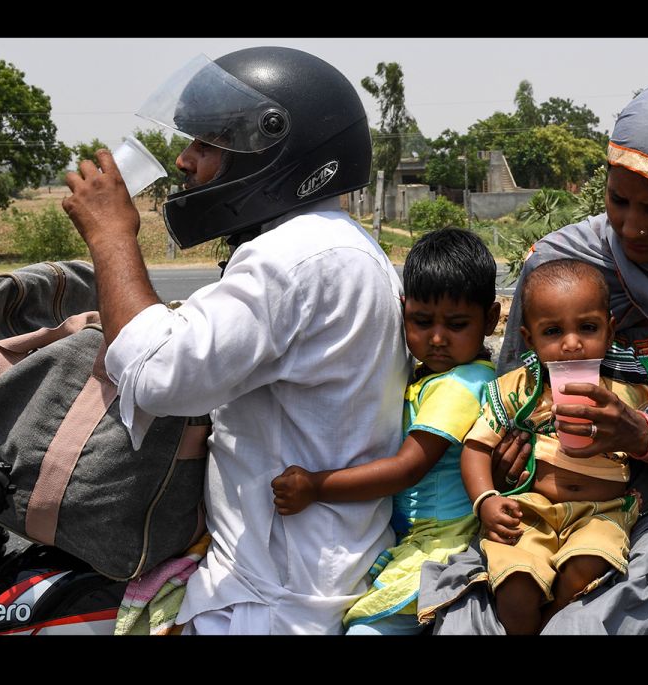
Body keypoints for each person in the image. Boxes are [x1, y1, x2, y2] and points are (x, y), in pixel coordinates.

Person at [61, 47, 411, 634]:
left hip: (273, 596)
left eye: (207, 144)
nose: (184, 160)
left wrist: (112, 237)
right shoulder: (333, 244)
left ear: (273, 148)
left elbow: (158, 373)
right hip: (302, 567)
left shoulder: (295, 257)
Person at [419, 82, 648, 635]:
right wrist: (507, 460)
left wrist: (647, 438)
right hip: (541, 500)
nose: (632, 227)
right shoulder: (561, 261)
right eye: (618, 200)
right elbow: (514, 396)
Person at [271, 227, 500, 635]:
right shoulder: (430, 377)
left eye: (457, 324)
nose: (436, 338)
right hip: (419, 541)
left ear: (491, 319)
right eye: (421, 321)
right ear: (402, 310)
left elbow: (406, 470)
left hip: (441, 546)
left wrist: (316, 486)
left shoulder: (461, 385)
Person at [462, 258, 648, 634]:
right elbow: (477, 446)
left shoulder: (629, 388)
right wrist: (487, 501)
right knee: (515, 589)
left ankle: (550, 621)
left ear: (610, 331)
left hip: (602, 512)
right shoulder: (521, 388)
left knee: (586, 568)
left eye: (588, 328)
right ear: (530, 339)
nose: (572, 344)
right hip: (530, 511)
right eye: (553, 331)